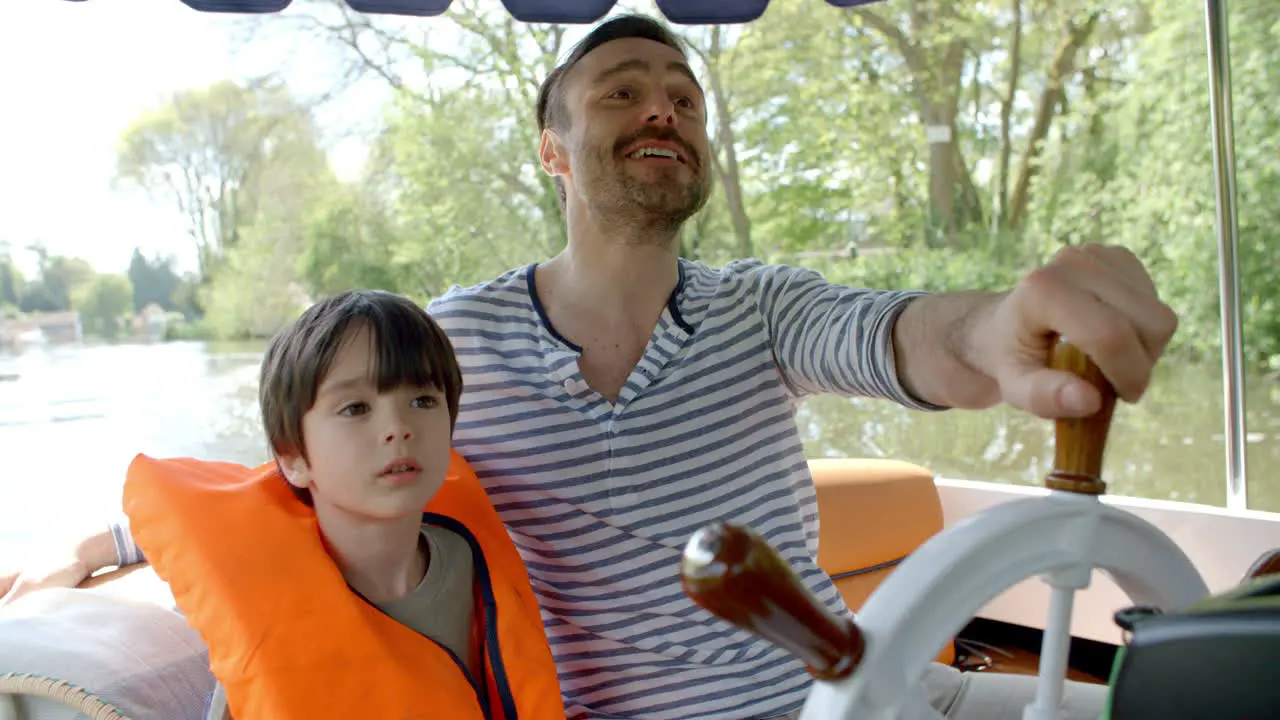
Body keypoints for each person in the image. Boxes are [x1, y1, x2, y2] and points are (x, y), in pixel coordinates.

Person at [1, 13, 1176, 720]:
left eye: (683, 98)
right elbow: (300, 461)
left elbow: (905, 336)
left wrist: (991, 332)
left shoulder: (763, 310)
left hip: (864, 692)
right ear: (554, 150)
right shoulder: (446, 346)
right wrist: (102, 545)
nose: (662, 109)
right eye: (621, 93)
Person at [119, 290, 563, 719]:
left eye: (423, 400)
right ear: (293, 457)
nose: (398, 426)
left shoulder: (476, 557)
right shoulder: (271, 628)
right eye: (355, 408)